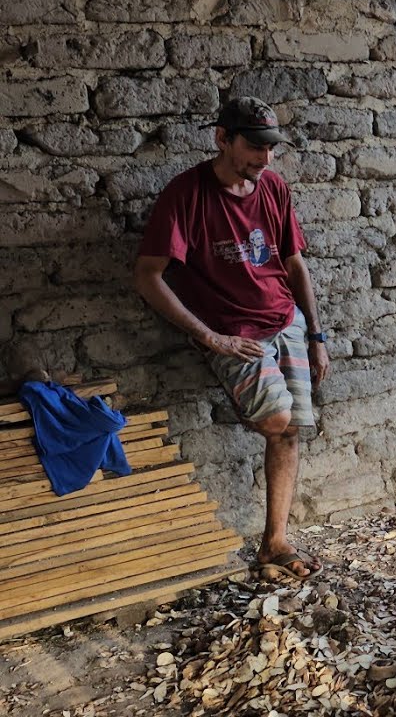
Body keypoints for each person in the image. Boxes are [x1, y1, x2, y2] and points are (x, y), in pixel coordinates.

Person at [134, 96, 329, 581]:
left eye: (271, 150)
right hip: (234, 334)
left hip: (286, 322)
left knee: (291, 431)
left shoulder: (273, 187)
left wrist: (317, 334)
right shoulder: (186, 194)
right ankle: (273, 539)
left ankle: (274, 541)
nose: (264, 160)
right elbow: (147, 276)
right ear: (222, 138)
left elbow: (293, 263)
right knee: (278, 419)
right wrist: (208, 337)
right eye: (254, 148)